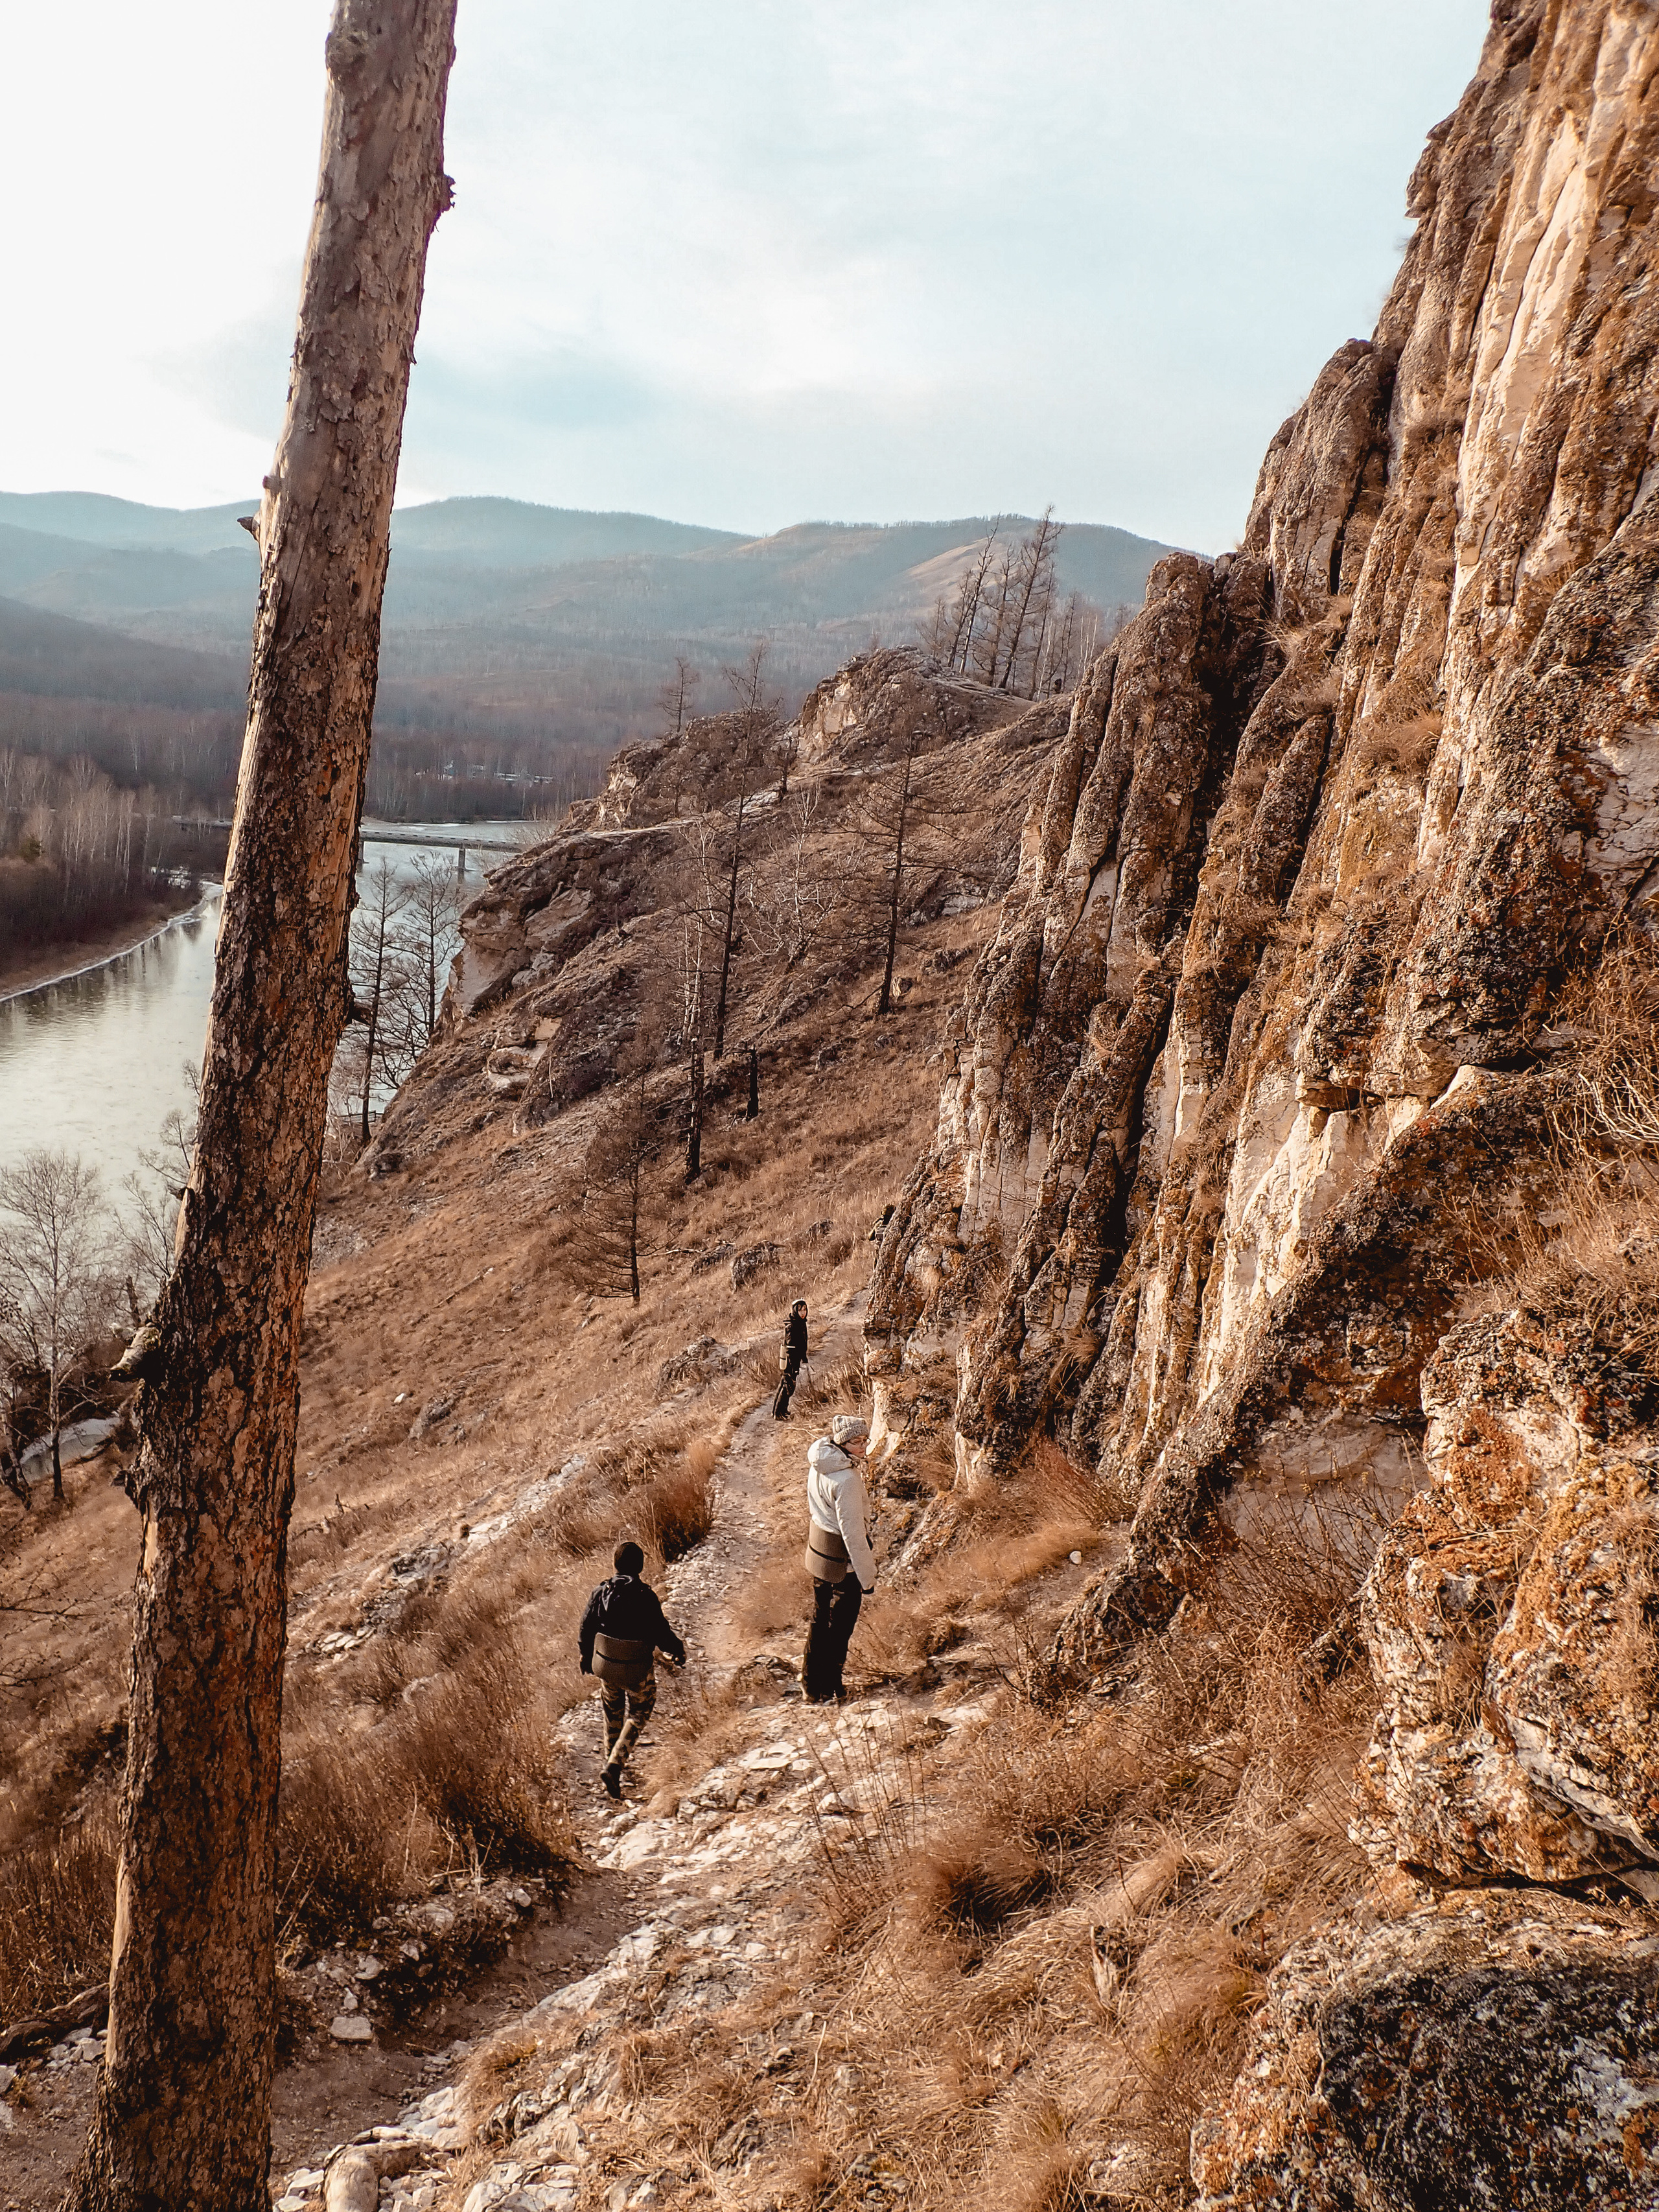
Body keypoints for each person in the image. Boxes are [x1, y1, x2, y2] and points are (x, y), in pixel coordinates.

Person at [579, 1540, 686, 1799]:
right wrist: (678, 1649)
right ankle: (615, 1766)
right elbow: (661, 1632)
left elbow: (585, 1628)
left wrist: (585, 1658)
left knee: (612, 1711)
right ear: (640, 1566)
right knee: (640, 1710)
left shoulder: (600, 1592)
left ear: (615, 1565)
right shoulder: (645, 1595)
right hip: (637, 1669)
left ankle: (610, 1762)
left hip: (607, 1666)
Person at [802, 1413, 876, 1703]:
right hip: (843, 1566)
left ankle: (810, 1685)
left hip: (820, 1556)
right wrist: (867, 1577)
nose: (863, 1447)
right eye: (857, 1442)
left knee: (819, 1622)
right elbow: (853, 1534)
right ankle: (832, 1687)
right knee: (840, 1629)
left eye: (864, 1440)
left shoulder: (821, 1462)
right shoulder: (846, 1479)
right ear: (843, 1443)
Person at [773, 1298, 809, 1419]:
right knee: (788, 1386)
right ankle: (780, 1414)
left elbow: (802, 1343)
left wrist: (804, 1358)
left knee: (785, 1384)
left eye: (804, 1310)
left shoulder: (800, 1323)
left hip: (794, 1360)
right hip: (791, 1361)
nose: (803, 1313)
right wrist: (794, 1365)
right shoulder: (793, 1326)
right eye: (800, 1310)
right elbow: (790, 1347)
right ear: (795, 1311)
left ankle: (779, 1411)